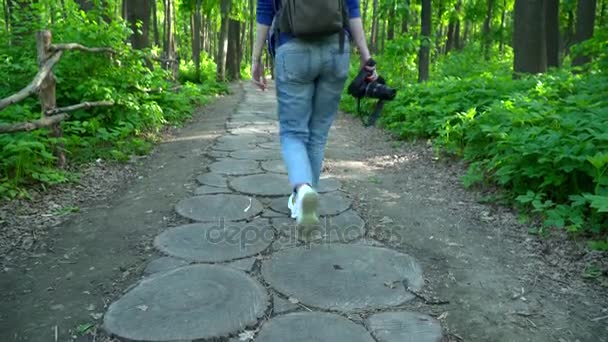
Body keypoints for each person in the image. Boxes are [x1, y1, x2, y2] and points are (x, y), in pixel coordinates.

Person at [251, 0, 377, 226]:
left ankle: (303, 189)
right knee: (318, 133)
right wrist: (365, 56)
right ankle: (307, 195)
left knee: (293, 133)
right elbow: (352, 8)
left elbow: (265, 11)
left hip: (292, 50)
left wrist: (256, 58)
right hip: (336, 50)